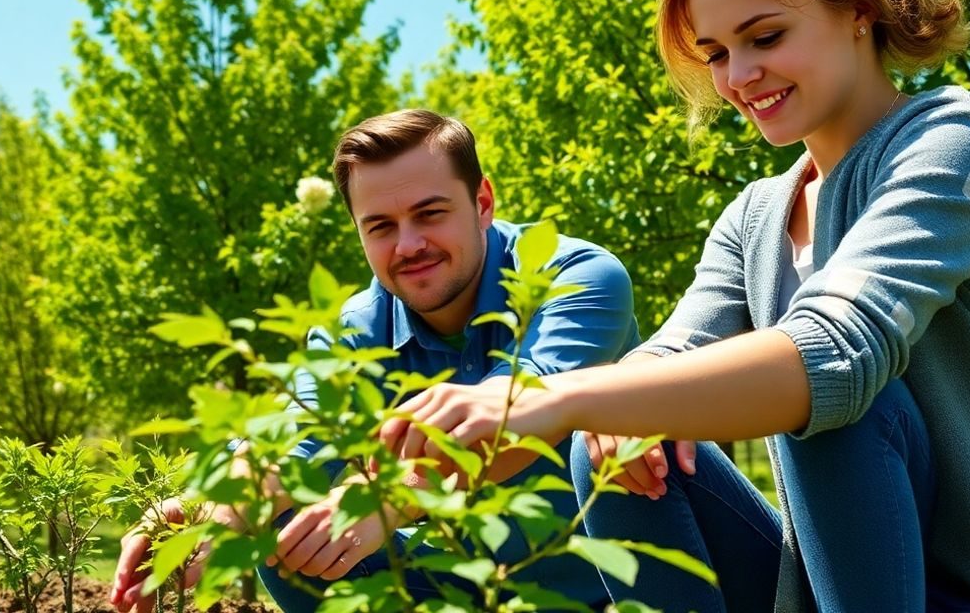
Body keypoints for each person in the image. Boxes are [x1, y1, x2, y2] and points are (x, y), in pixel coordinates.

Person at [380, 0, 970, 612]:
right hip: (862, 587)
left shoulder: (954, 140)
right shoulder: (754, 218)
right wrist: (401, 478)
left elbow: (833, 352)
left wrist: (561, 395)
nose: (738, 76)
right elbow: (669, 358)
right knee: (612, 440)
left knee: (826, 394)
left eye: (765, 36)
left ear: (857, 8)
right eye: (715, 53)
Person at [109, 109, 639, 613]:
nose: (408, 245)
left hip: (607, 581)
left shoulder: (577, 277)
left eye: (429, 214)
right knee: (286, 530)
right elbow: (297, 435)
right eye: (380, 226)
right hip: (452, 579)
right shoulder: (357, 328)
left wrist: (383, 498)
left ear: (482, 202)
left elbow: (512, 414)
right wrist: (210, 510)